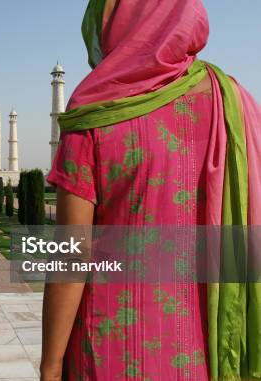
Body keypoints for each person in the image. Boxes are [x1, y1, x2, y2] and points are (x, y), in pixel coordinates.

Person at [41, 0, 261, 380]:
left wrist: (51, 364)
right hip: (201, 346)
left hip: (109, 346)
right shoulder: (234, 100)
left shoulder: (94, 110)